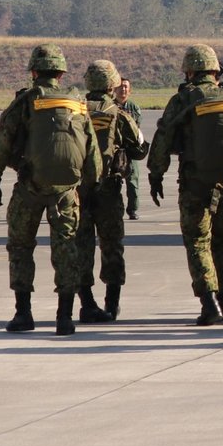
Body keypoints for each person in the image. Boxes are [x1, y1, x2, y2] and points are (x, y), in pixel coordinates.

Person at [0, 44, 104, 335]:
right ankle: (65, 317)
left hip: (30, 187)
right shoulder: (77, 104)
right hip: (67, 191)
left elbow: (2, 141)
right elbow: (92, 152)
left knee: (21, 247)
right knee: (66, 249)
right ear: (61, 73)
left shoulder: (26, 102)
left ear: (34, 71)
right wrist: (91, 185)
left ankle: (23, 313)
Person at [146, 45, 223, 326]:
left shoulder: (183, 99)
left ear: (190, 71)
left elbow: (164, 138)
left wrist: (155, 174)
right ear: (216, 71)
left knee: (198, 243)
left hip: (196, 183)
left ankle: (210, 302)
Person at [75, 59, 146, 322]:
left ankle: (86, 303)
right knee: (112, 245)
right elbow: (140, 148)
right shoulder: (118, 113)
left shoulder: (75, 110)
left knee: (81, 245)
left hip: (78, 190)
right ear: (111, 85)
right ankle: (111, 304)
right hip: (108, 189)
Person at [115, 77, 144, 220]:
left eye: (126, 87)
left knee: (133, 181)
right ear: (114, 89)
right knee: (113, 182)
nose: (123, 89)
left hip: (130, 151)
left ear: (130, 90)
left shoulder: (134, 108)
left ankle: (132, 209)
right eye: (120, 86)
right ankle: (114, 209)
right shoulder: (110, 106)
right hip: (115, 150)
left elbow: (136, 128)